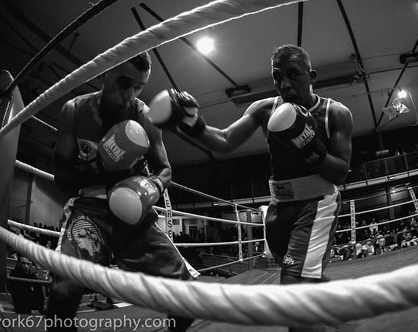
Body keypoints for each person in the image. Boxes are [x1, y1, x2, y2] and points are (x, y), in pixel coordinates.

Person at [148, 44, 353, 332]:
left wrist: (310, 147)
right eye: (277, 77)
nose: (284, 84)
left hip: (317, 204)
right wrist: (188, 123)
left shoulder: (336, 113)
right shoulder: (264, 109)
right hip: (279, 211)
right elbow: (224, 142)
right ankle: (339, 306)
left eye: (293, 74)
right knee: (300, 275)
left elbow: (341, 172)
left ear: (312, 76)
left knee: (293, 288)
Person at [50, 52, 197, 332]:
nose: (129, 94)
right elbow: (61, 177)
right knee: (62, 293)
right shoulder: (75, 110)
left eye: (138, 86)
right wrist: (100, 167)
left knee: (186, 295)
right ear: (104, 74)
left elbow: (164, 170)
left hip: (134, 212)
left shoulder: (144, 115)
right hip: (90, 212)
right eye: (123, 82)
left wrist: (148, 187)